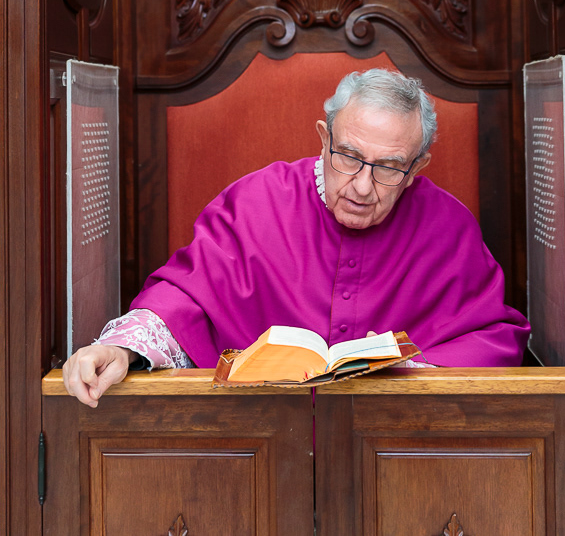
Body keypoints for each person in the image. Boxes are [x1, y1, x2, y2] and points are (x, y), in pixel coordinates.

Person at [63, 69, 530, 407]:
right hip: (257, 441)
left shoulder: (448, 226)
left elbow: (491, 335)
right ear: (323, 138)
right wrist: (120, 350)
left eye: (389, 167)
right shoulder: (253, 202)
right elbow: (181, 302)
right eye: (348, 156)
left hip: (389, 449)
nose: (363, 187)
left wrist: (415, 373)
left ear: (416, 168)